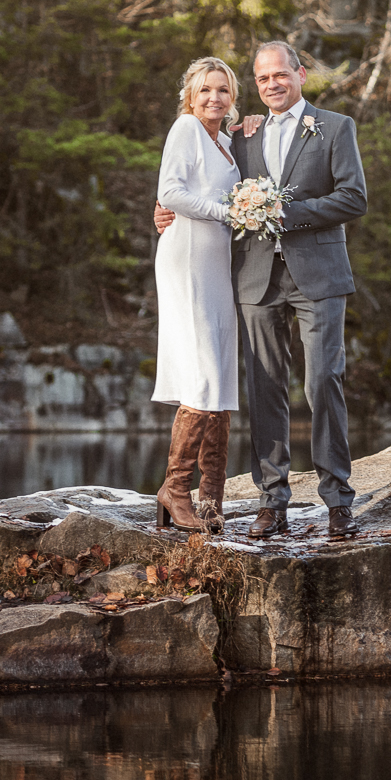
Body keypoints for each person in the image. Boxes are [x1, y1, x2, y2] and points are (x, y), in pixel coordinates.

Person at [154, 40, 367, 540]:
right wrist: (161, 210)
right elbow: (190, 183)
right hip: (252, 277)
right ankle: (272, 501)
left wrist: (285, 213)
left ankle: (338, 499)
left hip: (317, 274)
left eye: (281, 75)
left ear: (301, 75)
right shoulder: (240, 136)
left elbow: (353, 197)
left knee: (323, 382)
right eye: (263, 78)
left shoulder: (335, 127)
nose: (272, 84)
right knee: (264, 390)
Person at [150, 56, 242, 533]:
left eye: (223, 90)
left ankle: (212, 500)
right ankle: (175, 488)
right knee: (203, 374)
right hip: (187, 258)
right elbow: (171, 191)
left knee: (222, 378)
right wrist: (226, 212)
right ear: (191, 94)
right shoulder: (185, 129)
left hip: (220, 265)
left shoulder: (227, 142)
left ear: (232, 98)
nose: (213, 98)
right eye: (205, 89)